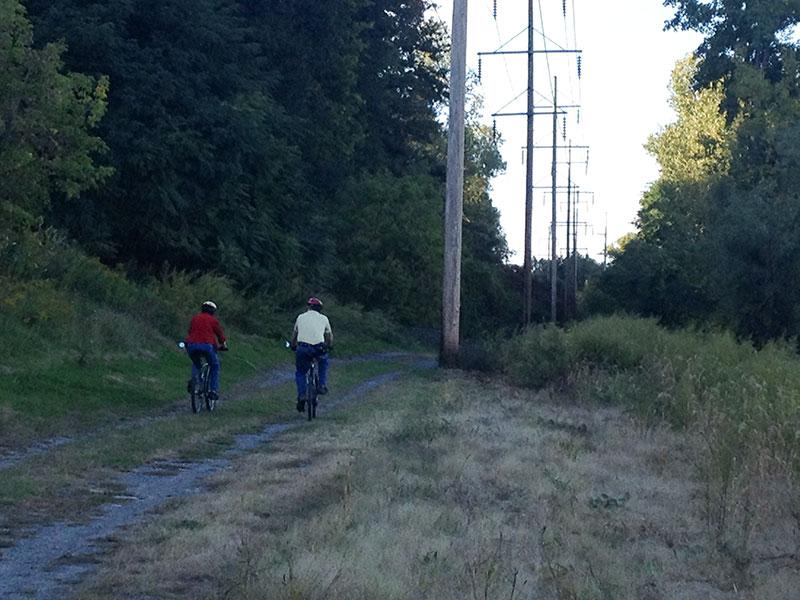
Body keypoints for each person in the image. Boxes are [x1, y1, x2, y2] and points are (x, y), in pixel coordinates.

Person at [291, 296, 333, 412]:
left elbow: (295, 334)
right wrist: (328, 346)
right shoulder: (324, 318)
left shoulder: (300, 317)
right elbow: (329, 336)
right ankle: (321, 385)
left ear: (309, 307)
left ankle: (302, 395)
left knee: (300, 373)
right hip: (318, 348)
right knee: (323, 362)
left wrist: (293, 345)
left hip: (303, 348)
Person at [185, 300, 228, 401]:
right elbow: (219, 334)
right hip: (207, 346)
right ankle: (213, 390)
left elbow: (190, 331)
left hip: (191, 345)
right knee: (214, 366)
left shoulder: (195, 318)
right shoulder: (213, 320)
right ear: (213, 311)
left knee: (196, 363)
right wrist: (223, 344)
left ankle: (195, 381)